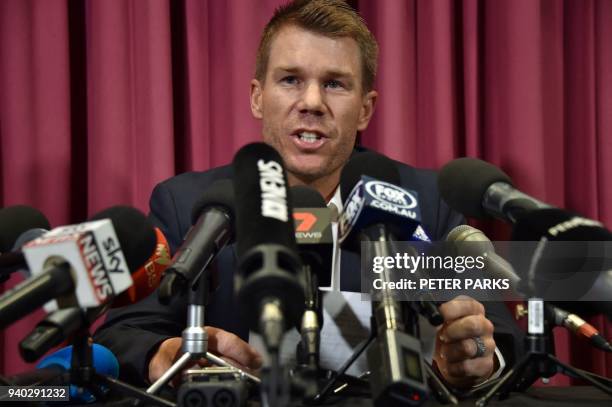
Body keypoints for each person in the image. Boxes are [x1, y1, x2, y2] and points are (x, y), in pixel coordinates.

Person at [95, 0, 523, 391]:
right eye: (290, 80)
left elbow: (502, 339)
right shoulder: (188, 203)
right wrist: (166, 356)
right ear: (257, 97)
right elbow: (123, 334)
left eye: (335, 84)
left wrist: (478, 358)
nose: (312, 102)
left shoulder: (428, 202)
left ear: (366, 109)